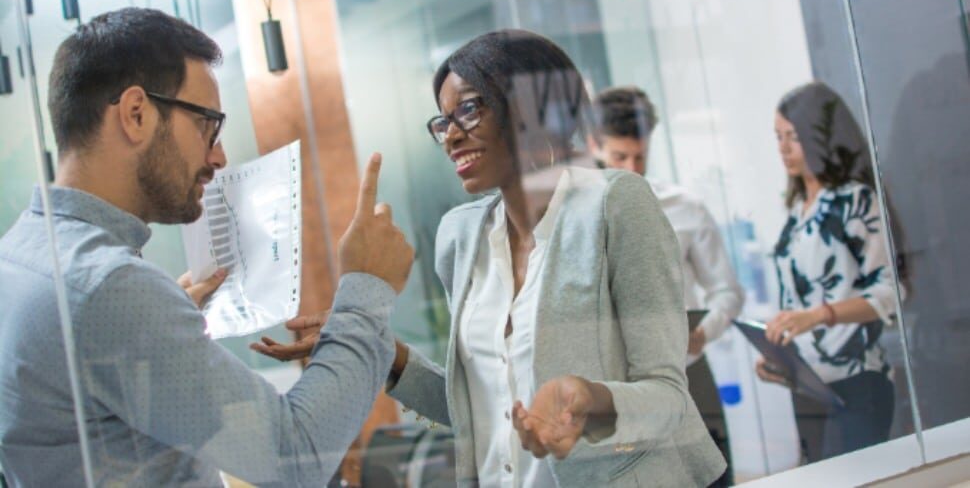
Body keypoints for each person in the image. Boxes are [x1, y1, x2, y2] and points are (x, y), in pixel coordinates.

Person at [255, 30, 725, 487]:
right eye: (443, 122)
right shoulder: (461, 237)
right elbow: (477, 405)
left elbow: (668, 399)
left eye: (469, 110)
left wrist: (591, 401)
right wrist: (382, 352)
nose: (450, 137)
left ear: (530, 107)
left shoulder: (615, 204)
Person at [0, 7, 414, 487]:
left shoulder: (21, 252)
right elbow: (296, 455)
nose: (217, 156)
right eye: (206, 125)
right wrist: (366, 288)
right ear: (136, 114)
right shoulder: (108, 286)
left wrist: (155, 318)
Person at [590, 85, 744, 484]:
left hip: (692, 373)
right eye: (620, 156)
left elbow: (728, 292)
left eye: (640, 156)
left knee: (715, 479)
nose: (632, 168)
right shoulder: (575, 218)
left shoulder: (686, 208)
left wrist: (702, 333)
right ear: (594, 145)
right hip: (619, 388)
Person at [756, 81, 901, 462]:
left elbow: (891, 292)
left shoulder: (853, 201)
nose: (783, 149)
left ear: (821, 137)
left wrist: (820, 315)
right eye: (778, 137)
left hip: (858, 383)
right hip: (811, 390)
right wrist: (780, 358)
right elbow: (798, 303)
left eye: (794, 137)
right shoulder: (797, 210)